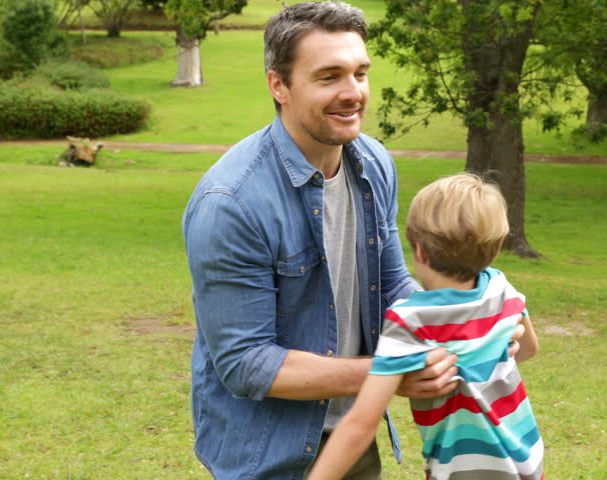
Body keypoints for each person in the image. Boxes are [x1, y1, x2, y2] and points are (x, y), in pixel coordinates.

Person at [181, 3, 481, 478]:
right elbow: (247, 363)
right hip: (267, 454)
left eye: (360, 73)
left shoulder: (373, 163)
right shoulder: (231, 204)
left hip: (351, 432)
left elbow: (391, 284)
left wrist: (466, 322)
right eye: (329, 77)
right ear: (278, 85)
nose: (353, 93)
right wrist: (389, 374)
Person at [307, 173, 544, 480]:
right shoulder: (500, 287)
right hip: (526, 463)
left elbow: (361, 424)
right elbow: (527, 349)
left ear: (419, 251)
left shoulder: (411, 320)